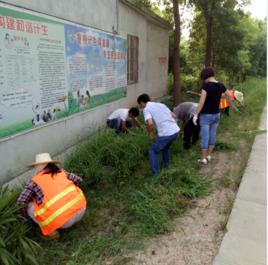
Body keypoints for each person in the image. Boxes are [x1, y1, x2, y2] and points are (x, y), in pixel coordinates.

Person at [17, 153, 87, 240]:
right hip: (81, 209)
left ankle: (52, 233)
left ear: (40, 166)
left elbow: (21, 202)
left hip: (63, 222)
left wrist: (25, 217)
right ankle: (71, 216)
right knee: (73, 186)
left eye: (36, 166)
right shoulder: (62, 172)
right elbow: (79, 180)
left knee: (30, 205)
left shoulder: (34, 181)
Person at [137, 94, 180, 175]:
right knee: (165, 148)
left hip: (166, 133)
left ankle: (155, 174)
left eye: (140, 105)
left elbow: (149, 123)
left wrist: (150, 133)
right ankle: (166, 167)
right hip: (175, 131)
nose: (141, 106)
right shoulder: (161, 104)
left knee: (152, 151)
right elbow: (174, 115)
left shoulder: (146, 109)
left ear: (142, 102)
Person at [193, 67, 226, 164]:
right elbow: (225, 95)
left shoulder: (206, 86)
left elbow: (201, 103)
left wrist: (195, 114)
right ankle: (208, 156)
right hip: (216, 115)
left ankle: (203, 159)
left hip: (206, 116)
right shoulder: (220, 85)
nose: (204, 80)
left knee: (205, 137)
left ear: (205, 76)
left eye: (203, 78)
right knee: (212, 136)